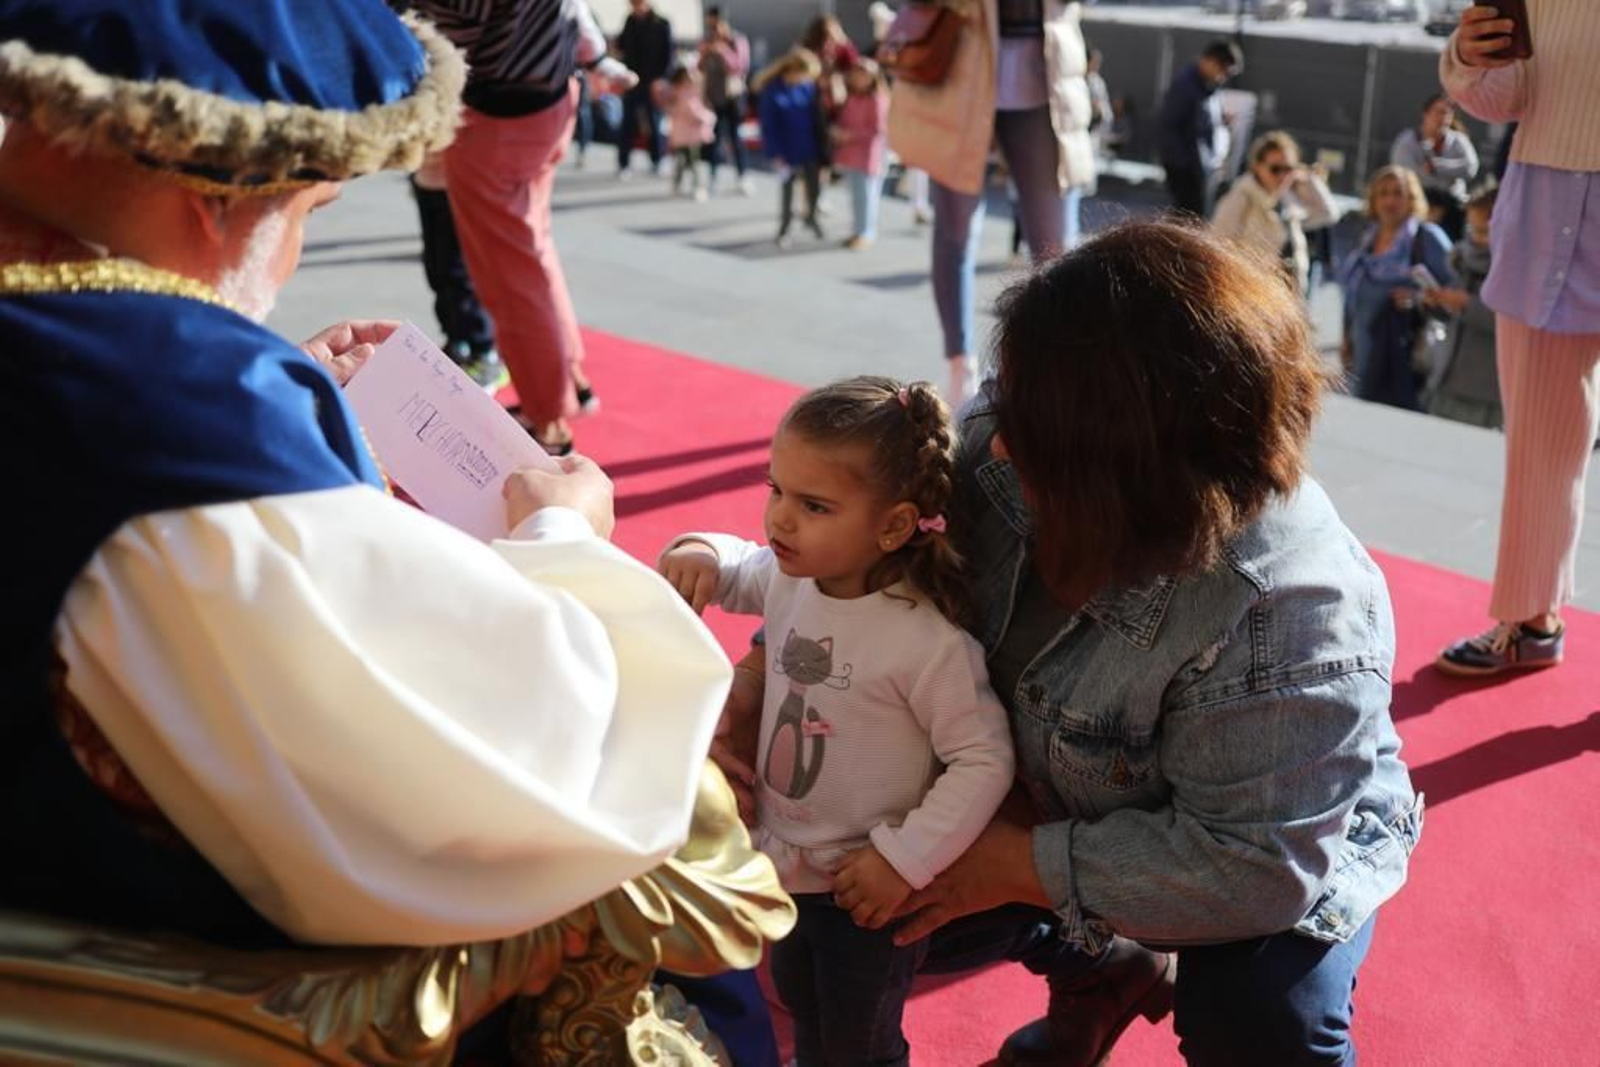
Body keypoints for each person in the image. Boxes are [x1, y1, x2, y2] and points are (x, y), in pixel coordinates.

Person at [0, 0, 735, 953]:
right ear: (220, 198)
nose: (297, 247)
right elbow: (519, 771)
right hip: (136, 953)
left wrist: (282, 404)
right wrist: (568, 540)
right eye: (309, 211)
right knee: (704, 867)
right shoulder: (182, 433)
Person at [715, 221, 1422, 1066]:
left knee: (1263, 1022)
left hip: (1253, 838)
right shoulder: (1008, 437)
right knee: (828, 914)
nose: (999, 438)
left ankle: (1100, 944)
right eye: (1006, 403)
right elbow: (859, 571)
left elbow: (1255, 867)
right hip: (1022, 772)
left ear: (1126, 464)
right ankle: (1106, 969)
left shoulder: (1287, 610)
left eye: (1031, 427)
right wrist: (762, 675)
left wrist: (1015, 864)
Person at [659, 377, 1014, 1066]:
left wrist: (902, 859)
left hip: (866, 893)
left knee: (859, 1042)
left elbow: (983, 758)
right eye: (775, 489)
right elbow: (737, 564)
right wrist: (699, 547)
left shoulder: (925, 640)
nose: (780, 520)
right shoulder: (796, 576)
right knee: (801, 999)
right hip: (787, 864)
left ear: (893, 524)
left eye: (814, 505)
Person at [1434, 1, 1600, 676]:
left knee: (1544, 436)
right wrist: (1469, 55)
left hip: (1552, 197)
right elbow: (1508, 95)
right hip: (1548, 198)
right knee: (1540, 440)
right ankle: (1532, 619)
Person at [414, 0, 626, 453]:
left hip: (498, 118)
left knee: (507, 274)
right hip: (550, 94)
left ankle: (548, 420)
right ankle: (567, 379)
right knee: (533, 248)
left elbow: (434, 43)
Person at [888, 0, 1097, 404]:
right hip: (958, 77)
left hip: (1045, 81)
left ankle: (1048, 366)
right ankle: (960, 365)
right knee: (955, 234)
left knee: (1055, 249)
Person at [1336, 165, 1454, 411]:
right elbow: (1352, 296)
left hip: (1405, 362)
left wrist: (1417, 297)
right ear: (1373, 200)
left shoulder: (1427, 239)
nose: (1390, 200)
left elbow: (1453, 296)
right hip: (1362, 359)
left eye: (1398, 193)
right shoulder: (1366, 239)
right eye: (1384, 193)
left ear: (1412, 200)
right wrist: (1346, 338)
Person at [407, 151, 506, 390]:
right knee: (437, 268)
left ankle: (484, 353)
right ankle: (457, 341)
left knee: (458, 271)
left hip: (461, 181)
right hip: (428, 176)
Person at [1211, 130, 1340, 297]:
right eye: (1275, 169)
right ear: (1256, 167)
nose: (1282, 175)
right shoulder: (1240, 197)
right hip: (1253, 295)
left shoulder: (1289, 198)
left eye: (1288, 169)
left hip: (1291, 294)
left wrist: (1308, 178)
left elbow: (1328, 214)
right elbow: (1218, 247)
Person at [1422, 185, 1503, 429]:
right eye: (1472, 229)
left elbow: (1510, 324)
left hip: (1483, 390)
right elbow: (1452, 317)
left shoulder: (1513, 269)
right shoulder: (1463, 259)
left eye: (1484, 231)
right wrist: (1438, 304)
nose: (1476, 239)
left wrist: (1467, 304)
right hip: (1446, 379)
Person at [1158, 39, 1243, 219]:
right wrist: (1184, 167)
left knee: (1196, 220)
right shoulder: (1186, 86)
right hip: (1188, 170)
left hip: (1200, 168)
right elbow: (1168, 127)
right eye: (1223, 72)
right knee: (1187, 222)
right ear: (1210, 62)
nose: (1223, 78)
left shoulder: (1206, 87)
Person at [755, 48, 828, 249]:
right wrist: (775, 153)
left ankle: (811, 217)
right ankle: (784, 228)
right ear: (794, 70)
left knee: (814, 187)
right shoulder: (773, 91)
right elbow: (768, 126)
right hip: (785, 148)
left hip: (809, 145)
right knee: (788, 191)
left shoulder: (807, 88)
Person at [1389, 93, 1480, 241]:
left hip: (1452, 207)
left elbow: (1470, 168)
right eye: (1439, 112)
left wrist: (1437, 168)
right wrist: (1445, 182)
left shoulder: (1459, 141)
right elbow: (1406, 174)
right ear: (1425, 114)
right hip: (1416, 205)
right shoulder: (1406, 141)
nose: (1443, 118)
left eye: (1447, 114)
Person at [832, 59, 892, 250]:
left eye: (864, 74)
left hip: (869, 155)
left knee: (867, 196)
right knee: (857, 196)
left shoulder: (877, 99)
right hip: (852, 154)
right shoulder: (852, 97)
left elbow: (878, 130)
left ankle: (865, 232)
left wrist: (850, 135)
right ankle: (858, 231)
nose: (860, 78)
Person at [615, 0, 673, 178]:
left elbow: (668, 54)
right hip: (632, 80)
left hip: (652, 81)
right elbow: (622, 45)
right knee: (627, 123)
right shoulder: (630, 21)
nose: (636, 7)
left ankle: (657, 160)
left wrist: (661, 79)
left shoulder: (661, 24)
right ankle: (624, 164)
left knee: (654, 122)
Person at [700, 5, 754, 196]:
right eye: (710, 26)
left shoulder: (736, 40)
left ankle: (742, 176)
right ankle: (712, 177)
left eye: (716, 25)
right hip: (713, 96)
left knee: (735, 137)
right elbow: (700, 68)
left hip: (733, 96)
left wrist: (722, 50)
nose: (713, 30)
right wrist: (705, 52)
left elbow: (740, 66)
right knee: (713, 138)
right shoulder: (707, 42)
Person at [663, 65, 717, 202]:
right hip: (690, 135)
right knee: (694, 162)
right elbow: (693, 113)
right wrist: (709, 118)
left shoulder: (677, 92)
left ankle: (677, 185)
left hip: (681, 135)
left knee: (682, 161)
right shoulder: (686, 94)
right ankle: (698, 187)